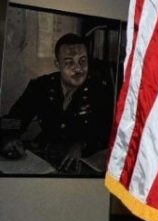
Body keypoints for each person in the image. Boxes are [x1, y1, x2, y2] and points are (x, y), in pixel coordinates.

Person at [2, 32, 113, 174]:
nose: (78, 68)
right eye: (69, 62)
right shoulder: (41, 86)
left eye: (83, 61)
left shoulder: (99, 90)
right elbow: (16, 118)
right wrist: (9, 138)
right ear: (57, 64)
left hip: (83, 167)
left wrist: (81, 144)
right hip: (45, 160)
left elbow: (105, 130)